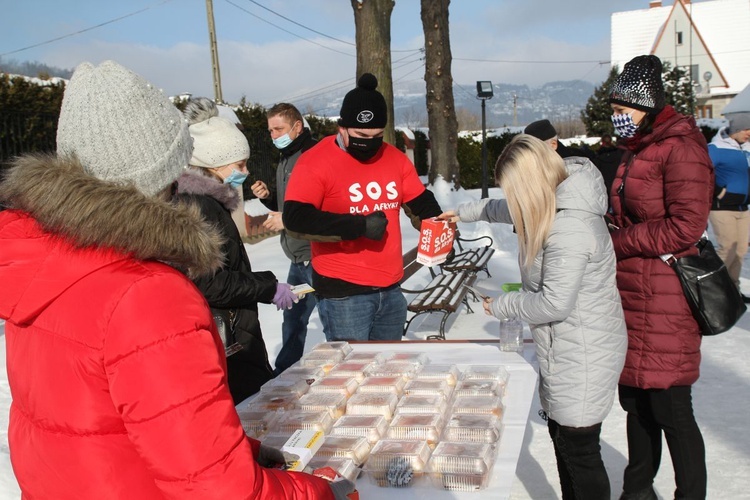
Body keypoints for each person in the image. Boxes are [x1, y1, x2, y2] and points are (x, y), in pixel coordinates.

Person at [0, 61, 352, 499]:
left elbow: (123, 419)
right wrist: (318, 493)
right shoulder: (148, 293)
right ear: (161, 173)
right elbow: (222, 491)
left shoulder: (41, 265)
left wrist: (239, 448)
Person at [442, 134, 627, 500]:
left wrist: (503, 306)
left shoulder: (569, 226)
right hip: (569, 346)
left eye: (515, 189)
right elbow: (503, 209)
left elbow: (554, 303)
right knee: (565, 438)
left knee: (580, 449)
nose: (514, 200)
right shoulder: (549, 200)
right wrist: (462, 212)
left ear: (531, 183)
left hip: (585, 353)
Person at [608, 55, 713, 500]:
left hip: (666, 296)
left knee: (671, 406)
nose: (618, 117)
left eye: (624, 110)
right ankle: (637, 492)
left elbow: (687, 226)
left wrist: (623, 241)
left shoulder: (681, 147)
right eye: (614, 109)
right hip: (633, 293)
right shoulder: (640, 149)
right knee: (636, 403)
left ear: (648, 108)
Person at [283, 73, 444, 342]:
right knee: (352, 374)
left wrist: (438, 225)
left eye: (377, 135)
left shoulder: (395, 158)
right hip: (344, 294)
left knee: (387, 374)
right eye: (360, 135)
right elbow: (296, 219)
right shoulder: (315, 161)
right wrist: (358, 226)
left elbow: (419, 202)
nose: (369, 142)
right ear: (342, 128)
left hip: (391, 288)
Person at [179, 97, 299, 402]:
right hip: (226, 338)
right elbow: (208, 282)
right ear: (214, 163)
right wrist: (267, 287)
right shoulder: (199, 206)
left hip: (233, 333)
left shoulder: (208, 202)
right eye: (240, 164)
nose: (244, 171)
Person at [251, 103, 318, 374]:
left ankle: (342, 375)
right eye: (270, 131)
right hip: (297, 257)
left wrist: (287, 219)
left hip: (319, 255)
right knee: (292, 319)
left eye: (278, 129)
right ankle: (285, 375)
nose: (273, 135)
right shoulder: (286, 157)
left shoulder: (313, 154)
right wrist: (268, 196)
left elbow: (321, 208)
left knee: (333, 320)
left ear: (297, 126)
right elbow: (287, 203)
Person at [707, 111, 750, 302]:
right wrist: (718, 191)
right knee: (727, 250)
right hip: (722, 207)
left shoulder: (747, 149)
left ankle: (733, 291)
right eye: (746, 129)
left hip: (743, 207)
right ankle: (715, 292)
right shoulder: (715, 147)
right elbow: (703, 171)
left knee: (740, 251)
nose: (749, 133)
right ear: (736, 129)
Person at [525, 118, 618, 200]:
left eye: (535, 148)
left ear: (553, 144)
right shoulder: (530, 168)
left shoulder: (577, 164)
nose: (531, 154)